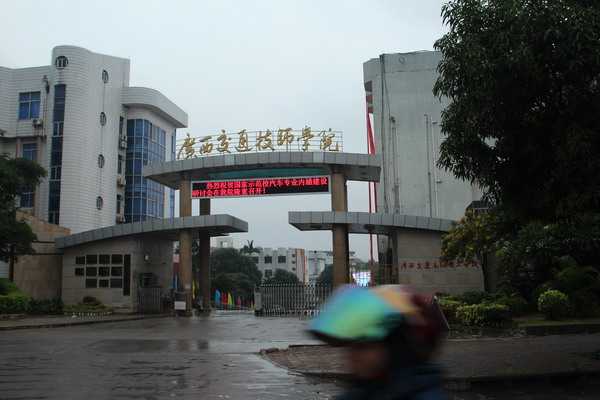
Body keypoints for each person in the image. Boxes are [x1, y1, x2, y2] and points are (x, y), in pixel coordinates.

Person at [309, 285, 449, 400]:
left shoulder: (425, 395)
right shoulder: (364, 390)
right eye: (351, 345)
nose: (352, 356)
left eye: (363, 346)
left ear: (398, 347)